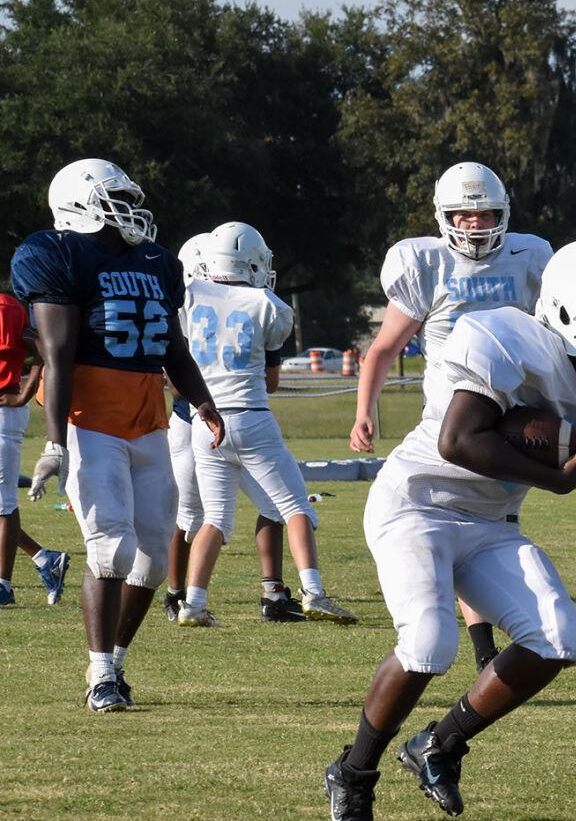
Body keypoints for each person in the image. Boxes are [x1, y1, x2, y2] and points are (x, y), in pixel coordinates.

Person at [324, 239, 576, 821]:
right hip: (417, 505)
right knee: (428, 644)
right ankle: (353, 773)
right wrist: (554, 483)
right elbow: (459, 440)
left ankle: (439, 744)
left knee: (559, 640)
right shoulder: (507, 335)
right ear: (566, 313)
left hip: (489, 522)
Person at [9, 158, 224, 712]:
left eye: (129, 198)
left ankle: (118, 665)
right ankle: (98, 672)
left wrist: (200, 399)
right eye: (115, 199)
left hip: (147, 421)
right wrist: (54, 442)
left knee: (152, 559)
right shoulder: (56, 253)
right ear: (79, 204)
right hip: (90, 423)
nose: (128, 210)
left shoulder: (154, 259)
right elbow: (56, 354)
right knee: (111, 548)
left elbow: (173, 346)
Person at [350, 162, 553, 672]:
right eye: (464, 214)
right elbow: (382, 349)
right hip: (450, 421)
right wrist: (363, 412)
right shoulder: (427, 264)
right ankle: (481, 650)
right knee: (465, 524)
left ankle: (484, 650)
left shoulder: (529, 259)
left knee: (492, 525)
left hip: (510, 415)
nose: (475, 224)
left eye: (485, 213)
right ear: (445, 217)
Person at [178, 222, 354, 626]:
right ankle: (314, 593)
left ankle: (193, 603)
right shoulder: (269, 306)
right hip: (250, 416)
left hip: (203, 420)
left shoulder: (190, 296)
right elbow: (270, 382)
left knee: (216, 519)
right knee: (295, 508)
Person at [164, 233, 301, 623]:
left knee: (256, 508)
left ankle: (269, 591)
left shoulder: (197, 295)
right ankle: (178, 594)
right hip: (204, 421)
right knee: (193, 514)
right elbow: (176, 378)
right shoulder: (230, 299)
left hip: (205, 421)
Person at [0, 289, 70, 607]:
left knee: (3, 504)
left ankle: (3, 585)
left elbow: (43, 347)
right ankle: (45, 559)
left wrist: (26, 391)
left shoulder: (6, 308)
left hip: (4, 407)